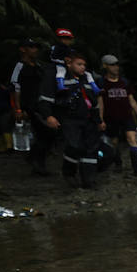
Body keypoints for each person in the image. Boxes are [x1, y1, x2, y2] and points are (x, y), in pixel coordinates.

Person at [36, 49, 103, 188]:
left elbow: (94, 103)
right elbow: (45, 99)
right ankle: (69, 173)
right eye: (79, 64)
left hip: (88, 120)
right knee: (74, 146)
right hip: (69, 119)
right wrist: (48, 116)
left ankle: (88, 180)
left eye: (84, 65)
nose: (82, 67)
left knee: (90, 149)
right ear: (69, 64)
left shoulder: (87, 80)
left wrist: (99, 121)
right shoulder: (58, 79)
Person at [96, 55, 137, 176]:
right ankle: (118, 163)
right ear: (105, 66)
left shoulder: (124, 82)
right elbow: (100, 103)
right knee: (114, 142)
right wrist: (101, 119)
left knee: (132, 139)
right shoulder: (102, 83)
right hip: (111, 118)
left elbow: (132, 100)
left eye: (116, 64)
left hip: (127, 117)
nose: (115, 67)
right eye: (112, 64)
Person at [9, 39, 51, 174]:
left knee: (47, 134)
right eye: (31, 47)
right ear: (23, 49)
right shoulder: (20, 66)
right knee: (42, 133)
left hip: (41, 105)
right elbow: (15, 87)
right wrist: (18, 109)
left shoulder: (38, 66)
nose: (35, 50)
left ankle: (36, 161)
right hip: (28, 106)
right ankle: (37, 163)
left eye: (36, 47)